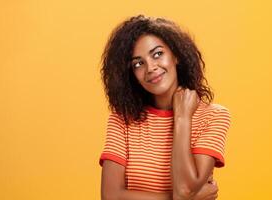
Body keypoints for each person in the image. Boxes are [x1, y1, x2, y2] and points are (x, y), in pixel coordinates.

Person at [99, 15, 231, 200]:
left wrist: (182, 118)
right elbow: (111, 196)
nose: (151, 68)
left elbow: (184, 189)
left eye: (158, 54)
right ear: (131, 74)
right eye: (138, 63)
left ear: (176, 55)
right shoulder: (122, 120)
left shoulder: (213, 116)